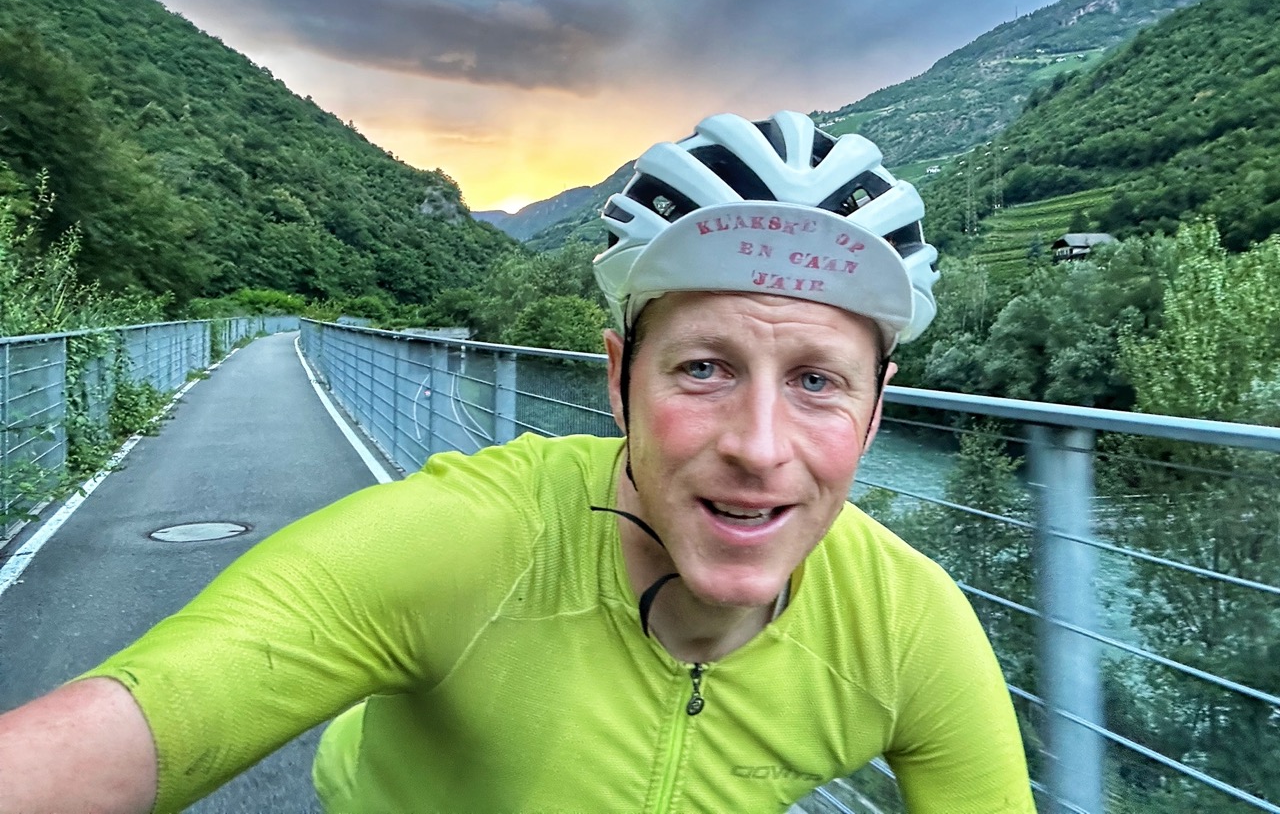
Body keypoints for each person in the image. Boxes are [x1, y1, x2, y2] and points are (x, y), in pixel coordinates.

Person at [0, 111, 1035, 813]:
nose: (758, 447)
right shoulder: (472, 538)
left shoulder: (907, 624)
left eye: (816, 381)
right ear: (618, 379)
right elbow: (142, 719)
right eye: (704, 368)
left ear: (874, 411)